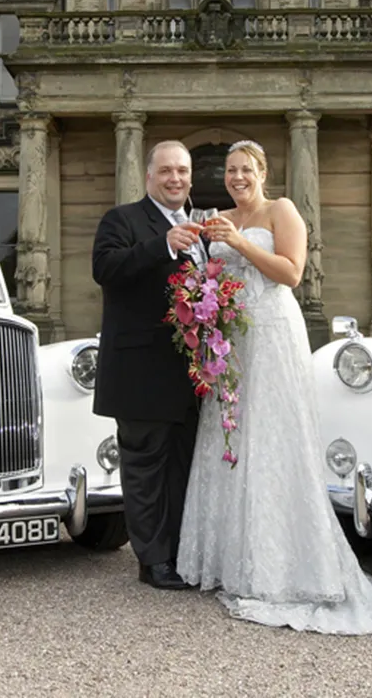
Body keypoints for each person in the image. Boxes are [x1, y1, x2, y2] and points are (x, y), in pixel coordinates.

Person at [176, 139, 372, 635]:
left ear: (262, 171)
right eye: (230, 170)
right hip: (234, 344)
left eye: (246, 169)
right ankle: (230, 562)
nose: (237, 177)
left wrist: (239, 243)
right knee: (231, 438)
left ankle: (282, 565)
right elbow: (216, 276)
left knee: (274, 440)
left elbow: (292, 273)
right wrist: (204, 285)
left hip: (273, 334)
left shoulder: (282, 210)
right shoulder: (220, 215)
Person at [91, 140, 208, 591]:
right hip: (141, 373)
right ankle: (152, 561)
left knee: (182, 469)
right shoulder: (121, 220)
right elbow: (106, 268)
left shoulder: (201, 230)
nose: (175, 178)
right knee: (145, 470)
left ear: (191, 177)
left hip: (189, 376)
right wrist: (162, 245)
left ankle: (178, 553)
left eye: (182, 171)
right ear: (149, 177)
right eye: (166, 171)